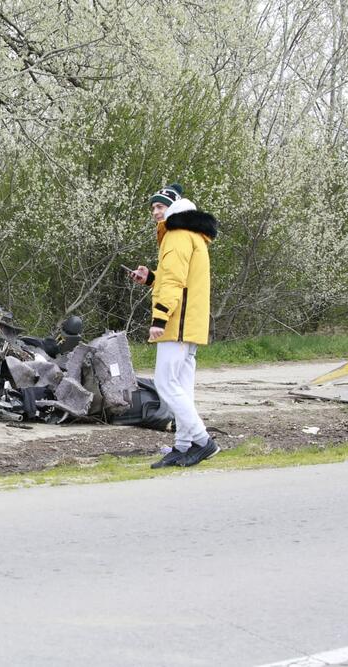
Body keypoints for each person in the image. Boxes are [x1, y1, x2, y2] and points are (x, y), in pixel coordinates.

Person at [129, 184, 220, 468]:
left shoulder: (177, 235)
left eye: (160, 206)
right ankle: (183, 444)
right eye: (153, 208)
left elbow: (174, 283)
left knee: (166, 384)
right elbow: (178, 279)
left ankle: (203, 441)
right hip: (189, 322)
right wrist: (150, 279)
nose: (156, 212)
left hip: (176, 323)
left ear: (175, 207)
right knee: (181, 385)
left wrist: (159, 319)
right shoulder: (193, 235)